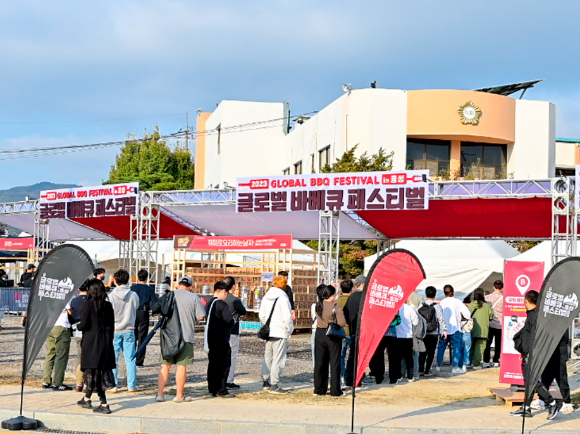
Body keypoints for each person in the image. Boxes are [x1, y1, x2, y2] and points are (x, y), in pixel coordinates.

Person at [511, 290, 562, 419]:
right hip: (529, 352)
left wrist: (531, 353)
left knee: (532, 380)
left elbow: (537, 337)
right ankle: (526, 408)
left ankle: (552, 402)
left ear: (526, 301)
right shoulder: (534, 315)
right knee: (529, 381)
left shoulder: (535, 316)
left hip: (532, 353)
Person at [156, 276, 206, 402]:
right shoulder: (194, 297)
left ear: (178, 284)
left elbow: (157, 309)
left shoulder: (169, 295)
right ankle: (179, 395)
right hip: (186, 335)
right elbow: (201, 317)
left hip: (168, 336)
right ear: (190, 286)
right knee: (181, 366)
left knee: (165, 365)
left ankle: (160, 394)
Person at [76, 278, 116, 414]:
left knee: (92, 372)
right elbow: (112, 326)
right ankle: (87, 398)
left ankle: (104, 404)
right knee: (97, 371)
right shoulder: (108, 306)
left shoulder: (88, 305)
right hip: (105, 342)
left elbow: (83, 325)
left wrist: (77, 324)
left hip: (91, 342)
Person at [259, 275, 294, 394]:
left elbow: (261, 315)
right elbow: (287, 317)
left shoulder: (266, 296)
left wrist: (267, 324)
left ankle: (266, 381)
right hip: (280, 331)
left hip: (269, 331)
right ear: (284, 285)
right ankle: (274, 384)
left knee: (267, 357)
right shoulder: (283, 298)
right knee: (278, 359)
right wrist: (289, 329)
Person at [108, 269, 139, 393]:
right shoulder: (133, 295)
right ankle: (131, 385)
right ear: (128, 280)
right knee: (130, 359)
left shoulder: (110, 296)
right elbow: (136, 308)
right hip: (129, 329)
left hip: (115, 330)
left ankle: (113, 385)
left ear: (115, 281)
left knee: (113, 359)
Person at [313, 284, 346, 396]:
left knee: (320, 363)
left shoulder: (318, 305)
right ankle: (335, 391)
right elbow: (342, 323)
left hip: (319, 333)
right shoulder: (335, 306)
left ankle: (319, 389)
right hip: (332, 334)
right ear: (331, 295)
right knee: (335, 363)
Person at [207, 281, 234, 398]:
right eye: (227, 293)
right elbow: (228, 320)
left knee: (212, 364)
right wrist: (234, 322)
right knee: (224, 364)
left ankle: (212, 388)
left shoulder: (209, 303)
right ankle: (221, 389)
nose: (227, 295)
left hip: (211, 337)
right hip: (221, 338)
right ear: (223, 291)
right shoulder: (222, 304)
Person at [534, 332, 573, 413]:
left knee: (561, 377)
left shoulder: (563, 321)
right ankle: (541, 400)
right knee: (546, 376)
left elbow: (564, 338)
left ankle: (567, 402)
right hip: (548, 350)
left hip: (559, 350)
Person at [437, 284, 471, 374]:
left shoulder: (442, 302)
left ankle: (438, 365)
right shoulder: (458, 302)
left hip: (443, 329)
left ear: (444, 293)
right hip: (455, 328)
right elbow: (467, 314)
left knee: (441, 347)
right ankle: (455, 366)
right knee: (456, 347)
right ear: (453, 292)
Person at [343, 274, 370, 388]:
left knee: (352, 356)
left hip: (354, 330)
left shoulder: (351, 297)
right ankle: (357, 380)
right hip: (364, 330)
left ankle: (349, 379)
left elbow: (345, 313)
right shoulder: (365, 298)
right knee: (361, 357)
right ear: (363, 284)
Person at [131, 269, 158, 367]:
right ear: (147, 278)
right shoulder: (149, 289)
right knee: (142, 337)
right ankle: (139, 360)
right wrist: (154, 311)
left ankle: (131, 358)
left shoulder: (132, 288)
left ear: (138, 277)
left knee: (132, 336)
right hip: (143, 312)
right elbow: (155, 302)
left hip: (133, 312)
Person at [42, 304, 73, 390]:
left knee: (50, 354)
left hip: (49, 325)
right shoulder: (64, 296)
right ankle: (58, 383)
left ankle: (46, 381)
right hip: (61, 326)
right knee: (61, 355)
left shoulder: (49, 297)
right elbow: (70, 311)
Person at [418, 286, 447, 376]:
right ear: (435, 295)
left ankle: (421, 370)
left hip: (423, 332)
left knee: (422, 351)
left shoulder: (421, 306)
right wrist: (444, 330)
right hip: (434, 333)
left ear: (426, 294)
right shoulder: (437, 306)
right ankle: (428, 371)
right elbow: (441, 320)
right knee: (431, 352)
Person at [224, 276, 246, 389]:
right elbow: (243, 311)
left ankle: (221, 379)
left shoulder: (219, 298)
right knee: (232, 356)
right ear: (234, 286)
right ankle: (229, 380)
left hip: (221, 331)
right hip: (232, 330)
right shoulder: (234, 299)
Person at [70, 279, 89, 392]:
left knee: (79, 356)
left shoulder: (74, 301)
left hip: (78, 330)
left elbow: (71, 316)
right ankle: (87, 383)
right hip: (89, 331)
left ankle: (78, 383)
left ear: (78, 288)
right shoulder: (90, 301)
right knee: (89, 357)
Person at [468, 288, 494, 369]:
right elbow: (491, 316)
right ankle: (476, 364)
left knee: (471, 347)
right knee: (480, 348)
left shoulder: (471, 305)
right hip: (483, 330)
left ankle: (469, 362)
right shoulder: (486, 306)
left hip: (471, 329)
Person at [396, 298, 419, 382]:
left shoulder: (395, 308)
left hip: (397, 335)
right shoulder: (410, 309)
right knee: (409, 357)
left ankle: (398, 375)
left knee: (398, 357)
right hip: (408, 336)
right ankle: (410, 376)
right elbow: (416, 322)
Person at [483, 280, 504, 367]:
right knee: (498, 344)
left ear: (493, 287)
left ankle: (486, 361)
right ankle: (496, 360)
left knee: (487, 343)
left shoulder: (487, 297)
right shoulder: (505, 298)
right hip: (500, 324)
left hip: (490, 324)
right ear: (502, 288)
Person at [336, 279, 353, 383]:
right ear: (352, 288)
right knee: (353, 355)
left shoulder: (337, 302)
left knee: (341, 355)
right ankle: (350, 375)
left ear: (341, 289)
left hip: (340, 331)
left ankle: (341, 374)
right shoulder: (354, 300)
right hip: (351, 331)